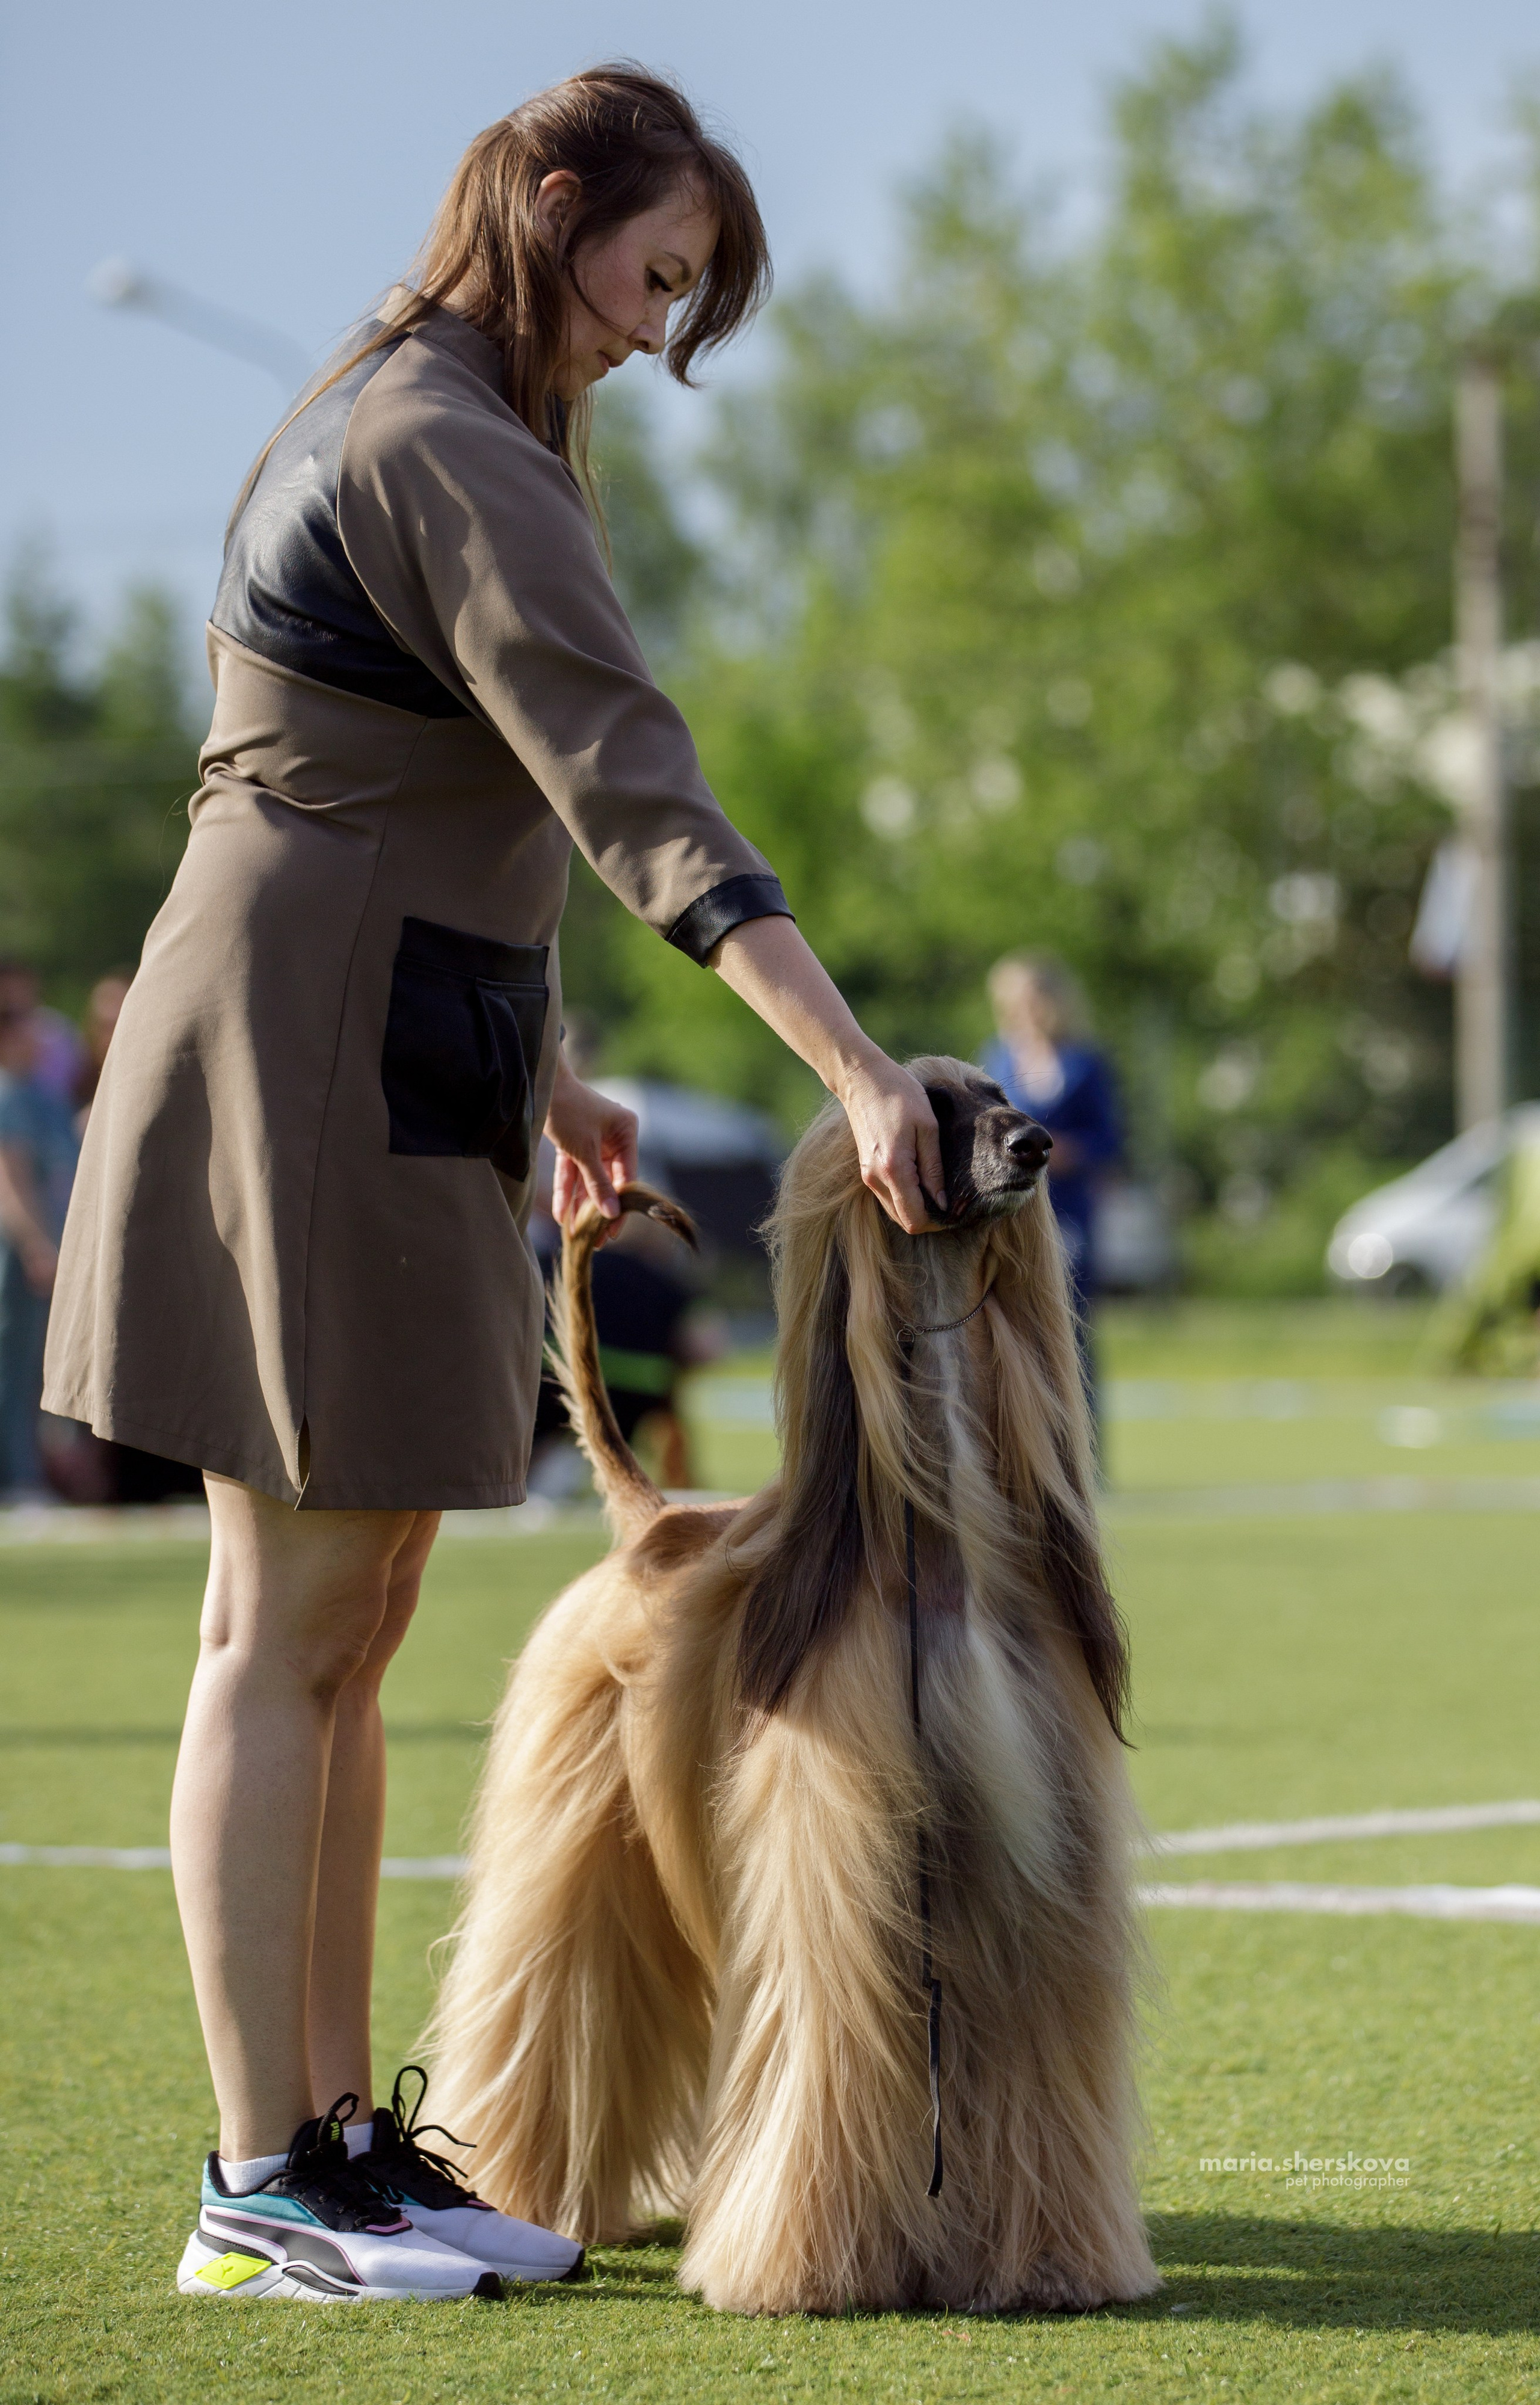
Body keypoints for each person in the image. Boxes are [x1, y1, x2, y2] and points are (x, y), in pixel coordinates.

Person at [43, 67, 944, 2306]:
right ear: (551, 207)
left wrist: (547, 1067)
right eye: (651, 277)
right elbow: (624, 773)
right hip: (305, 1038)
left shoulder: (434, 412)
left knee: (351, 1625)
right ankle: (263, 2181)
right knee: (282, 1625)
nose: (652, 331)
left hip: (397, 1027)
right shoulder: (437, 432)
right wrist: (849, 1063)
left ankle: (342, 2146)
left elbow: (403, 777)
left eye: (683, 300)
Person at [982, 952, 1121, 1414]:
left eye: (1033, 998)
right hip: (1009, 1213)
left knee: (1072, 1330)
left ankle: (1082, 1440)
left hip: (1068, 1216)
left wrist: (1063, 1152)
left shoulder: (1085, 1064)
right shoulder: (995, 1058)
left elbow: (1109, 1140)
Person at [0, 1003, 79, 1498]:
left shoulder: (40, 1096)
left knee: (33, 1369)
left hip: (44, 1249)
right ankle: (17, 1477)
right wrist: (36, 1246)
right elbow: (10, 1180)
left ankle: (27, 1473)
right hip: (20, 1255)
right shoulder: (8, 1094)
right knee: (13, 1364)